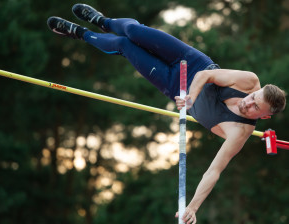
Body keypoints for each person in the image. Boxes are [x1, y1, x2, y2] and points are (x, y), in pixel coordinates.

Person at [47, 4, 286, 224]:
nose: (248, 102)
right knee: (134, 31)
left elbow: (214, 170)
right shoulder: (249, 81)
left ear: (264, 117)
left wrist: (192, 207)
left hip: (174, 86)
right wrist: (191, 97)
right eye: (253, 97)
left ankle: (79, 33)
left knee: (125, 46)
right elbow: (206, 76)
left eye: (256, 107)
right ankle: (102, 20)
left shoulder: (240, 132)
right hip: (192, 62)